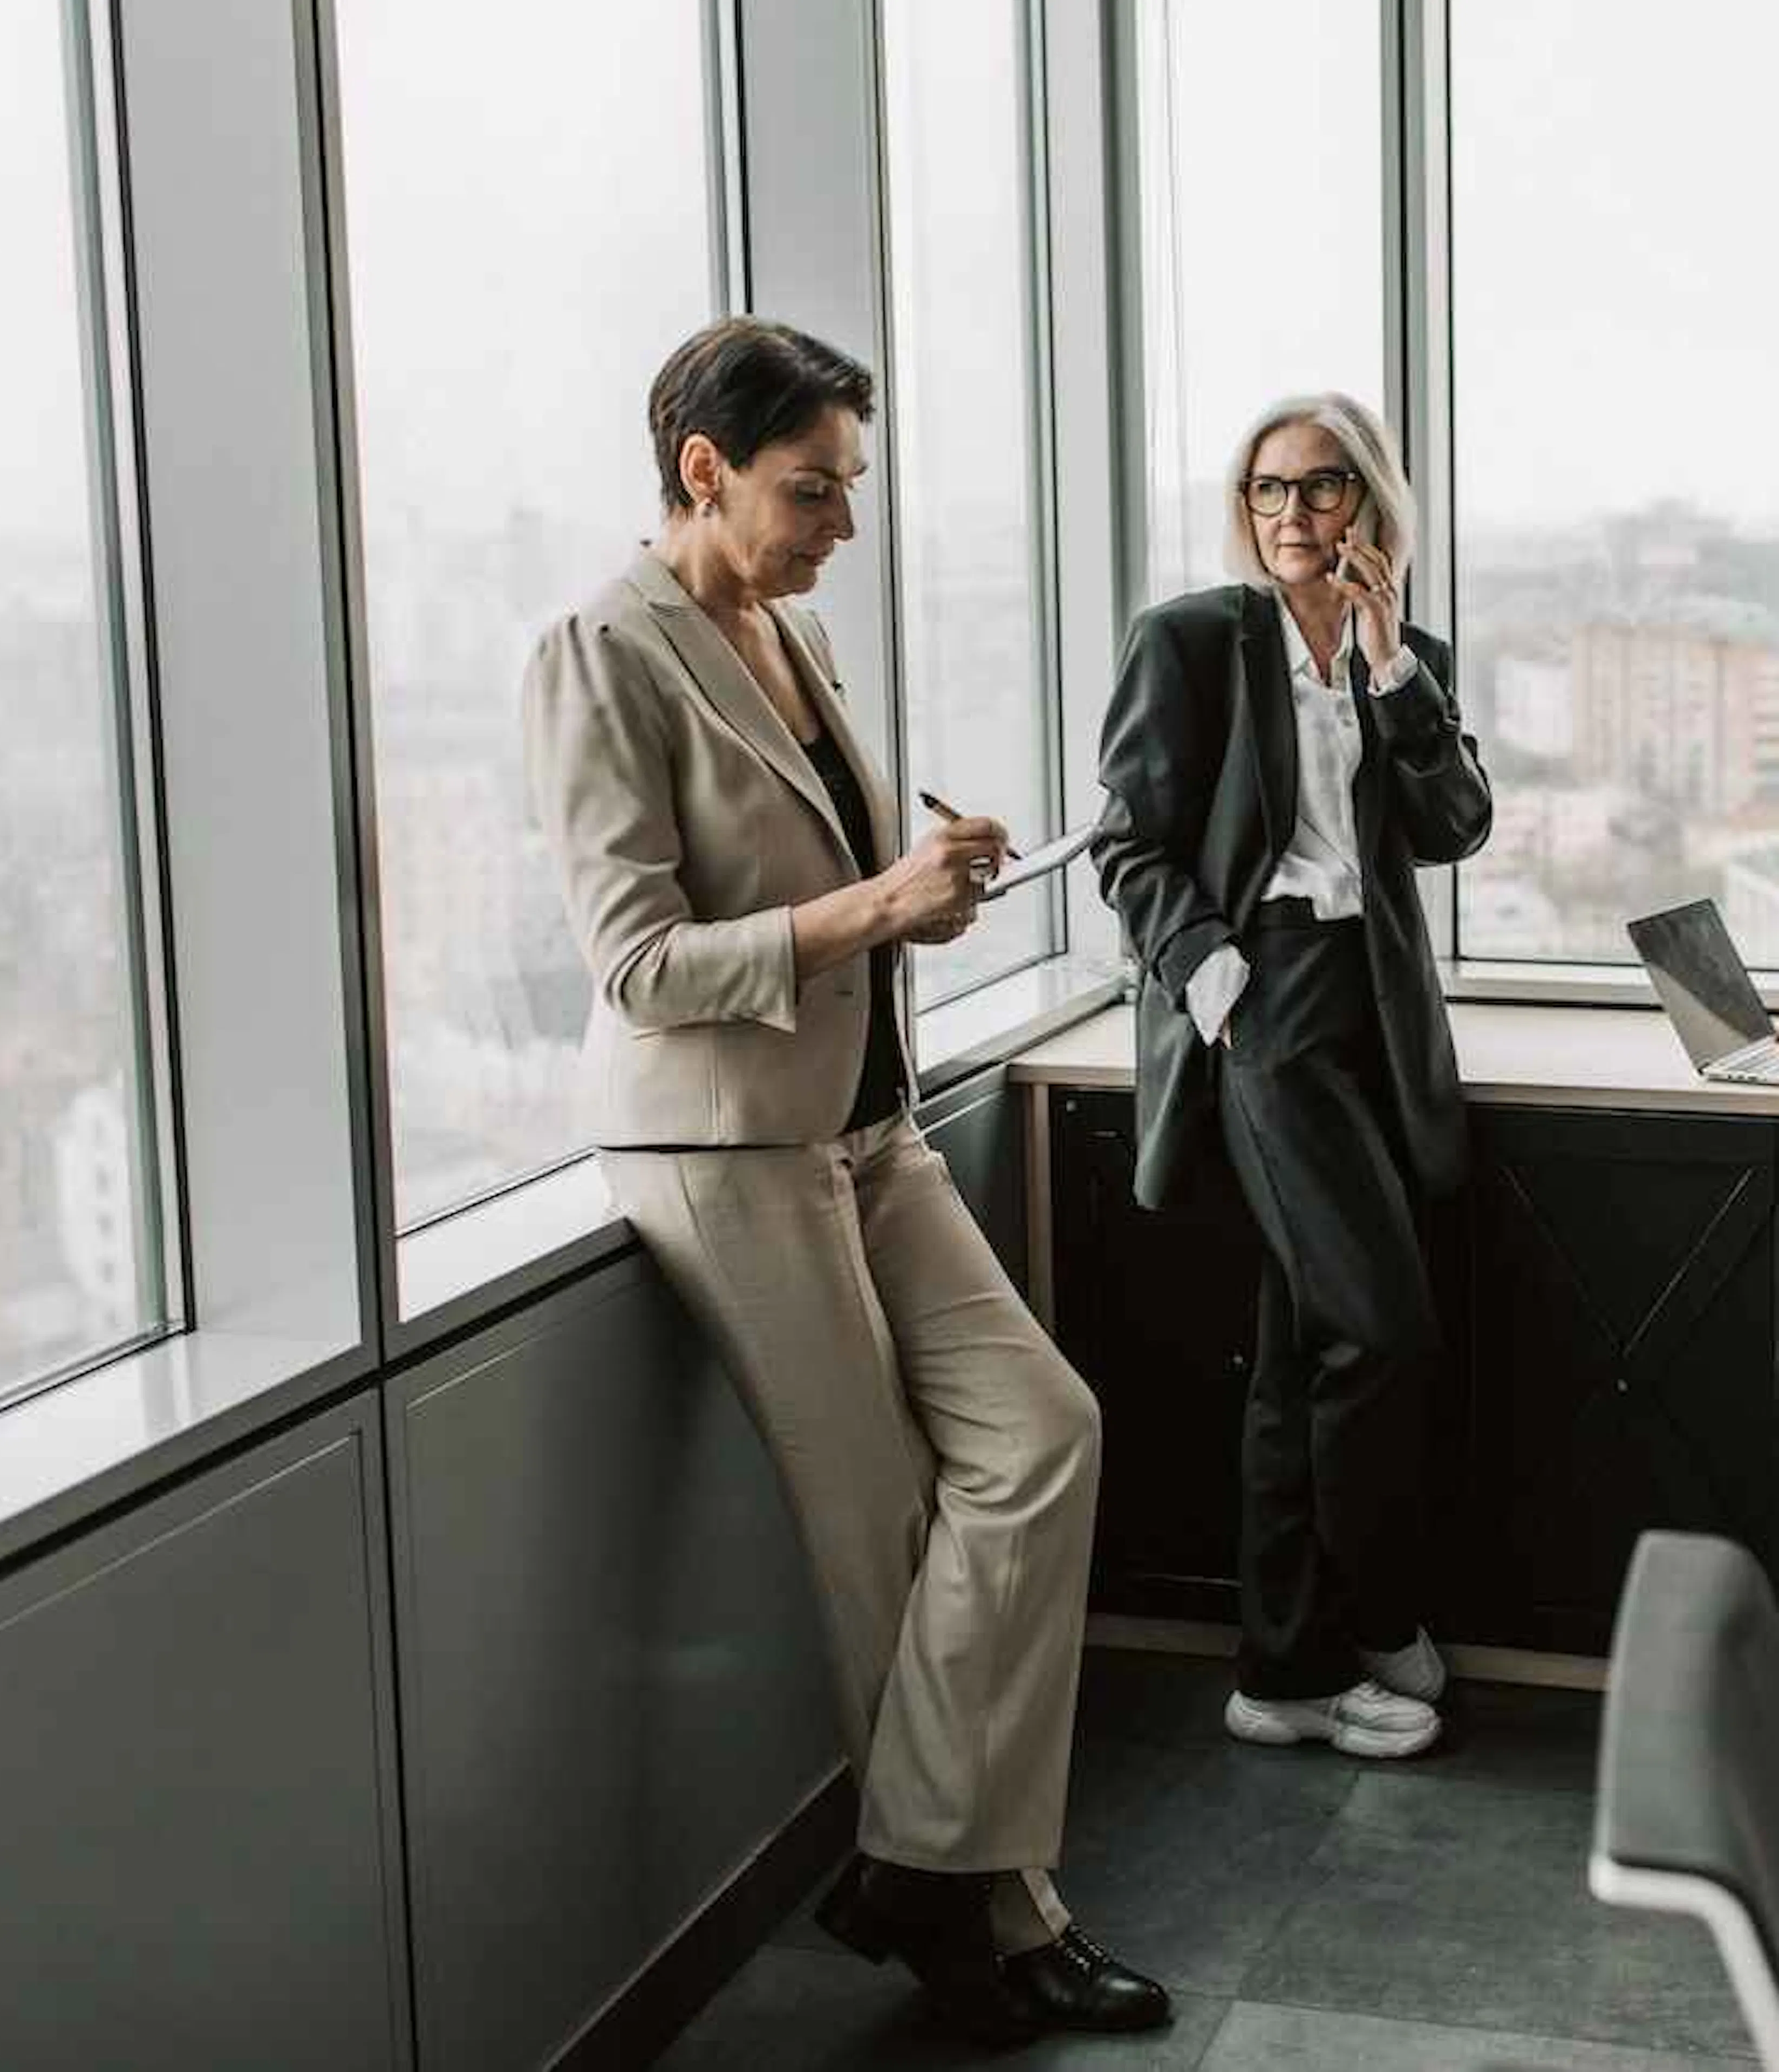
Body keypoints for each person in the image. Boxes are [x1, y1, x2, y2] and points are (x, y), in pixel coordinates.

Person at [523, 315, 1169, 2047]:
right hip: (719, 1145)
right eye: (817, 490)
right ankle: (996, 1925)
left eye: (855, 489)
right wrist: (879, 907)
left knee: (1043, 1433)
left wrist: (917, 876)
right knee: (877, 1533)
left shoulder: (793, 633)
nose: (846, 530)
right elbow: (640, 962)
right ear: (702, 467)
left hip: (865, 1125)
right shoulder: (600, 650)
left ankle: (910, 1868)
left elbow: (820, 889)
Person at [1092, 393, 1493, 1757]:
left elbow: (1455, 827)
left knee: (1303, 1347)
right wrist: (1217, 982)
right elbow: (1128, 846)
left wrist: (1391, 666)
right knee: (1381, 1333)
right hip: (1262, 1008)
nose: (1292, 516)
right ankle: (1365, 1628)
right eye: (1269, 490)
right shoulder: (1194, 641)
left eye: (1322, 490)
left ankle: (1282, 1667)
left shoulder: (1405, 652)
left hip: (1374, 1014)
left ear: (1372, 507)